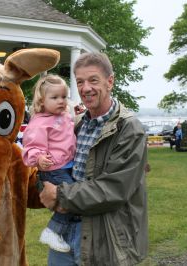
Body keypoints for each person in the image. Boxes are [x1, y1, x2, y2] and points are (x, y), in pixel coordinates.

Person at [39, 52, 148, 266]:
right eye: (80, 82)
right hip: (66, 228)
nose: (85, 88)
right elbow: (56, 165)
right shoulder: (76, 123)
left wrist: (60, 195)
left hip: (105, 236)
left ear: (110, 82)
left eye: (93, 80)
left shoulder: (129, 129)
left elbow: (114, 189)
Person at [22, 74, 77, 253]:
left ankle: (62, 232)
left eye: (64, 96)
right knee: (72, 199)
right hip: (52, 169)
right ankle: (52, 231)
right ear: (41, 100)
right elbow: (30, 146)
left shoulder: (63, 115)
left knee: (72, 200)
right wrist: (38, 158)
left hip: (66, 165)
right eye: (55, 97)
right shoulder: (39, 123)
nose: (61, 101)